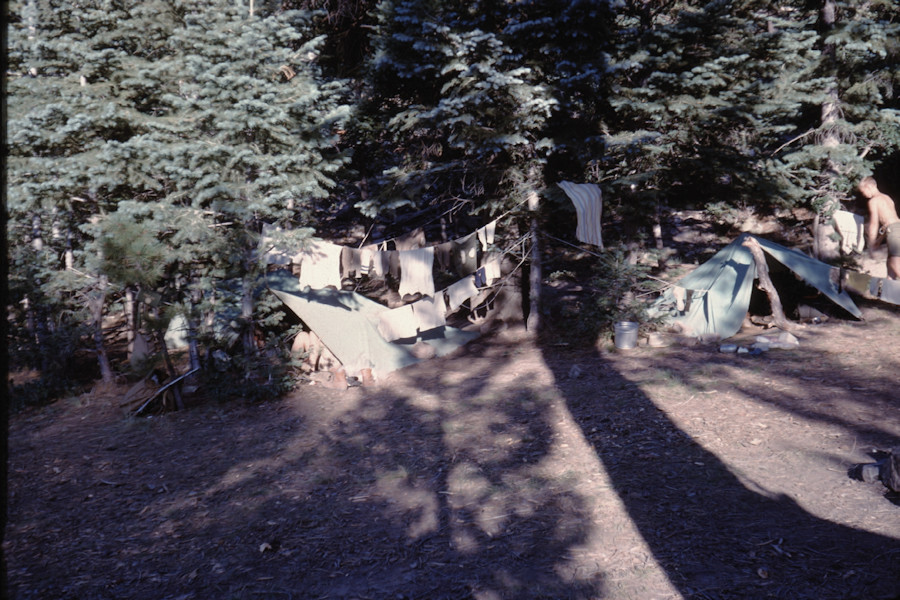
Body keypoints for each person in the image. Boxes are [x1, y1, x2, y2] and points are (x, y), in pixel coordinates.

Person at [859, 176, 900, 280]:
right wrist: (879, 240)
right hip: (896, 228)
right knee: (890, 265)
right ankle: (889, 292)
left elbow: (874, 223)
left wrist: (871, 242)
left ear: (869, 186)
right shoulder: (887, 198)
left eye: (863, 191)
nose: (863, 195)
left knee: (895, 263)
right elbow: (889, 222)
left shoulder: (873, 201)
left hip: (894, 232)